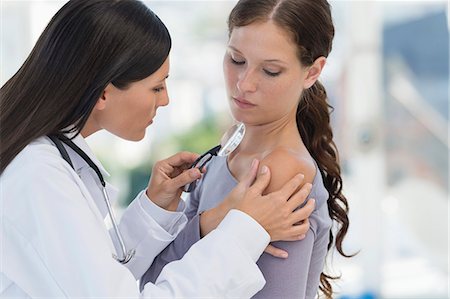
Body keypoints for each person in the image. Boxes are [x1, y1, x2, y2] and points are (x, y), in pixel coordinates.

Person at [0, 0, 318, 298]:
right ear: (104, 94)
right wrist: (243, 230)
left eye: (270, 70)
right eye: (156, 86)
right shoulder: (38, 178)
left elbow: (93, 274)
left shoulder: (46, 164)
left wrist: (155, 211)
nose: (165, 100)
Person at [141, 0, 352, 298]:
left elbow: (155, 276)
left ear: (312, 72)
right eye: (236, 60)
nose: (244, 84)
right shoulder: (230, 146)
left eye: (271, 71)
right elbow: (150, 278)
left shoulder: (279, 173)